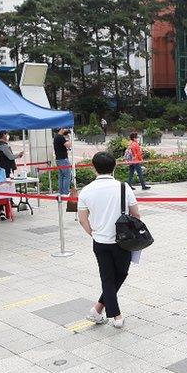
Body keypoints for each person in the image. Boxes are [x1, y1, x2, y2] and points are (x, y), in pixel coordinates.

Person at [77, 152, 140, 329]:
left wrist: (94, 234)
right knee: (119, 275)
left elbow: (82, 219)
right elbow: (136, 214)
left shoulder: (86, 190)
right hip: (123, 242)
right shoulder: (123, 187)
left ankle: (97, 310)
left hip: (99, 242)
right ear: (115, 166)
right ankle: (116, 315)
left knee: (108, 278)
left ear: (93, 167)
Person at [54, 128, 73, 196]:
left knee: (61, 176)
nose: (66, 130)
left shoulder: (56, 137)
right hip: (63, 159)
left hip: (58, 159)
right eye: (65, 129)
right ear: (61, 129)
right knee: (67, 175)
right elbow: (68, 145)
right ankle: (66, 192)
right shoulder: (60, 137)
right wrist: (68, 138)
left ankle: (61, 192)